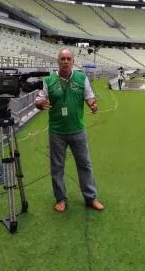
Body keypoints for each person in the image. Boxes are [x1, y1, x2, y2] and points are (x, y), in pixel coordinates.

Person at [35, 49, 105, 212]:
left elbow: (89, 96)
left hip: (77, 130)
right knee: (57, 167)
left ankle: (91, 198)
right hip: (57, 131)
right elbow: (39, 99)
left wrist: (93, 105)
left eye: (68, 59)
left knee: (84, 165)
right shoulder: (48, 80)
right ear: (58, 61)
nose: (65, 61)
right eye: (62, 59)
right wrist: (39, 104)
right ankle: (60, 199)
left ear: (73, 61)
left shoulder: (81, 78)